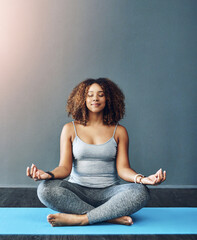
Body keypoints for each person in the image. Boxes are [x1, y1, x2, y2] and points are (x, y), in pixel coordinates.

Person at [26, 78, 166, 227]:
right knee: (45, 189)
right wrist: (48, 175)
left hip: (110, 193)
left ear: (109, 99)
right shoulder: (69, 129)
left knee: (141, 192)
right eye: (90, 95)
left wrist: (142, 179)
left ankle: (81, 219)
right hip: (77, 192)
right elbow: (65, 168)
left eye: (101, 94)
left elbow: (123, 169)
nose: (95, 99)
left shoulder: (119, 131)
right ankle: (110, 217)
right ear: (82, 99)